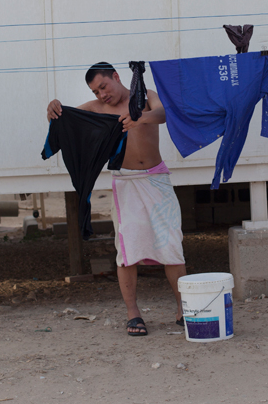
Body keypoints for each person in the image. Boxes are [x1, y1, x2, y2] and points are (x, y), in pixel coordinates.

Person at [47, 62, 186, 337]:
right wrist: (52, 106)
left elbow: (163, 114)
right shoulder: (96, 108)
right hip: (124, 183)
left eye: (103, 86)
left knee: (172, 245)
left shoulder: (143, 97)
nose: (101, 94)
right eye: (95, 91)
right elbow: (65, 117)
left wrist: (139, 118)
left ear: (116, 76)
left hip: (156, 179)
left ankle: (184, 309)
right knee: (127, 251)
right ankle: (133, 313)